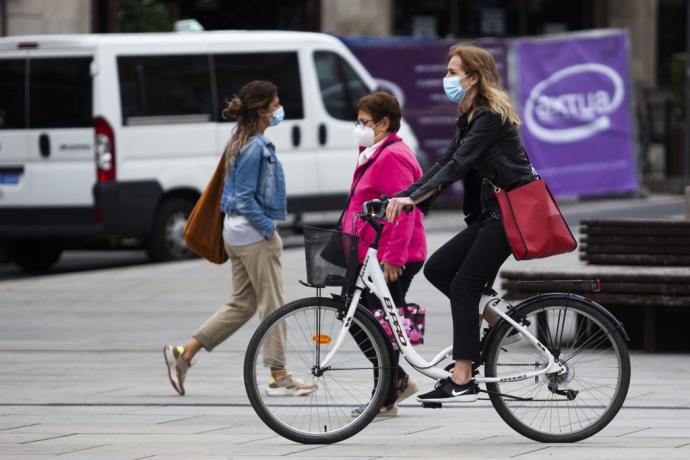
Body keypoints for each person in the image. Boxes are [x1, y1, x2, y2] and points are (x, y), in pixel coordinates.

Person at [386, 43, 536, 403]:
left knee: (464, 287)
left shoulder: (489, 116)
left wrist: (413, 199)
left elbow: (460, 165)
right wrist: (406, 194)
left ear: (473, 77)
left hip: (511, 215)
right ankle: (500, 323)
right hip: (491, 214)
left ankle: (463, 374)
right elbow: (444, 161)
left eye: (453, 72)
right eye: (448, 71)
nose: (447, 78)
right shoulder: (469, 115)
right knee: (438, 269)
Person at [163, 80, 316, 397]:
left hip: (236, 233)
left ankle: (184, 354)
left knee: (242, 304)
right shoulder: (254, 147)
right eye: (275, 106)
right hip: (251, 235)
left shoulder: (242, 140)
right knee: (273, 304)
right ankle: (279, 373)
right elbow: (244, 197)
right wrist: (268, 229)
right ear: (261, 111)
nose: (279, 111)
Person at [343, 92, 427, 416]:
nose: (359, 128)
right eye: (359, 121)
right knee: (361, 317)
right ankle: (396, 384)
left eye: (364, 122)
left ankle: (388, 394)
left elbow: (401, 210)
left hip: (392, 256)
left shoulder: (393, 156)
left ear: (383, 123)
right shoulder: (373, 151)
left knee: (378, 324)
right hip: (371, 253)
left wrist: (393, 256)